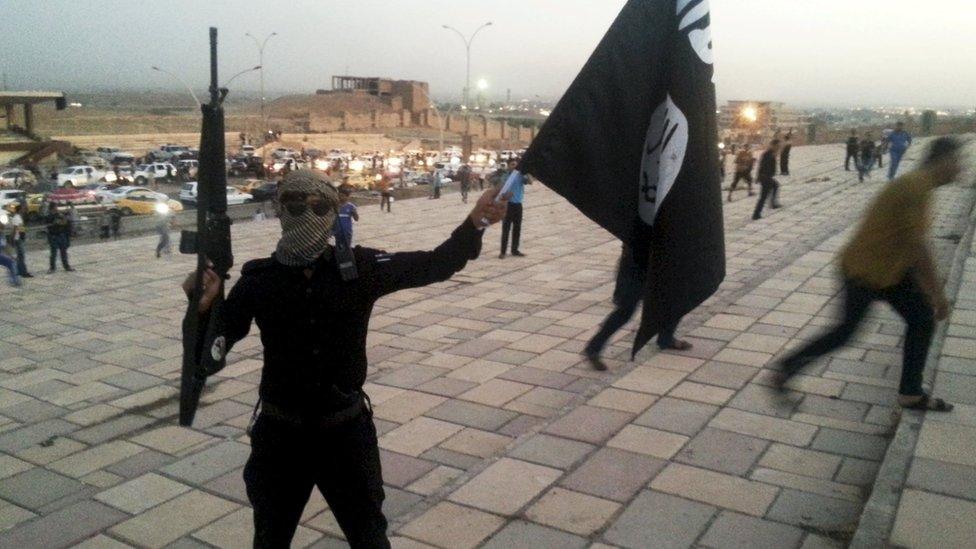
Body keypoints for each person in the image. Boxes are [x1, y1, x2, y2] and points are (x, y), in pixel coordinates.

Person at [181, 170, 508, 548]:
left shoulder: (359, 269)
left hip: (345, 433)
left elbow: (437, 263)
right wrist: (201, 312)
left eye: (318, 206)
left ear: (333, 211)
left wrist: (477, 221)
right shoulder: (259, 281)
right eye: (295, 204)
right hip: (281, 436)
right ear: (280, 209)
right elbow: (211, 354)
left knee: (369, 537)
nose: (306, 213)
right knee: (270, 538)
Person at [773, 138, 962, 411]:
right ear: (942, 161)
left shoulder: (920, 186)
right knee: (846, 333)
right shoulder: (915, 187)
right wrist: (939, 295)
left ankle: (910, 392)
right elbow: (919, 246)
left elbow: (909, 243)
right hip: (865, 271)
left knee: (920, 320)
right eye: (957, 162)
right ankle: (785, 368)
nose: (960, 169)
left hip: (888, 271)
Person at [584, 244, 691, 371]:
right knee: (625, 311)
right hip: (636, 266)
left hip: (661, 264)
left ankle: (666, 338)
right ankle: (593, 347)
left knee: (674, 300)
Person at [499, 162, 526, 259]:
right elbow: (500, 190)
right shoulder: (505, 176)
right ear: (508, 166)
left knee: (517, 228)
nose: (514, 166)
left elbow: (529, 181)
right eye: (512, 164)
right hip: (507, 205)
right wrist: (505, 195)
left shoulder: (521, 175)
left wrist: (527, 172)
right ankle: (503, 251)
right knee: (506, 228)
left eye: (516, 164)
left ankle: (515, 250)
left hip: (518, 205)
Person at [752, 139, 782, 220]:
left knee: (775, 185)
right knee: (763, 197)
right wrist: (758, 177)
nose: (778, 148)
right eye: (777, 146)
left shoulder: (770, 153)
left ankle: (772, 203)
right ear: (773, 145)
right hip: (766, 178)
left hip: (767, 177)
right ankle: (756, 214)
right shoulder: (768, 154)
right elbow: (762, 166)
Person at [45, 204, 73, 272]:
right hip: (53, 235)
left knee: (63, 252)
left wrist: (63, 218)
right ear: (52, 209)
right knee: (53, 253)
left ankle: (66, 266)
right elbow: (49, 225)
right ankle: (52, 267)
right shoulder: (48, 216)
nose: (56, 209)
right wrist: (56, 223)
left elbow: (64, 222)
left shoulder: (60, 215)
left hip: (61, 235)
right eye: (55, 207)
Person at [9, 205, 31, 277]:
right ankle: (23, 272)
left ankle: (19, 271)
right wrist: (12, 239)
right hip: (18, 239)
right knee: (21, 256)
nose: (24, 210)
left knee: (20, 256)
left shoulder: (19, 217)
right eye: (22, 209)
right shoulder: (17, 218)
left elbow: (20, 228)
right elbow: (15, 229)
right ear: (19, 210)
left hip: (19, 238)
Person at [335, 184, 359, 248]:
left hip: (347, 231)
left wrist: (354, 213)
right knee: (338, 246)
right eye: (339, 196)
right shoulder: (335, 206)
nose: (340, 197)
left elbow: (356, 219)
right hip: (337, 231)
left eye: (342, 196)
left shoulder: (351, 207)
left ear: (347, 197)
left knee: (347, 247)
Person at [0, 217, 20, 287]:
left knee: (11, 262)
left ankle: (14, 280)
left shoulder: (2, 234)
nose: (4, 226)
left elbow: (5, 247)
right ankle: (15, 280)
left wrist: (11, 255)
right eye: (2, 225)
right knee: (11, 262)